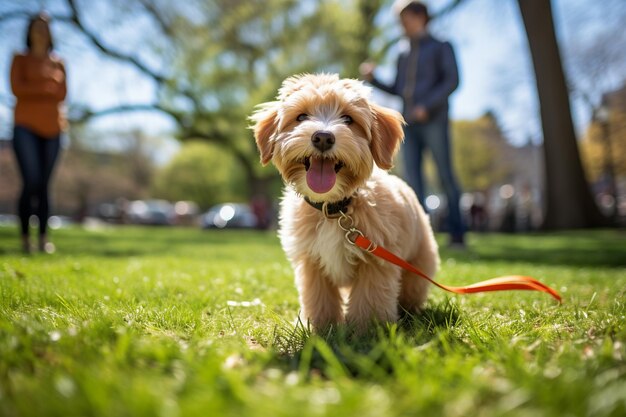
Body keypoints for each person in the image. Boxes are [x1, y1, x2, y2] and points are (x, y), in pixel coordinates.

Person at [360, 0, 466, 247]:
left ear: (421, 17)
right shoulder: (402, 52)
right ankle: (420, 239)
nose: (402, 26)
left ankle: (458, 234)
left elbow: (451, 81)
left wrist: (426, 106)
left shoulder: (441, 47)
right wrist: (374, 79)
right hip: (408, 123)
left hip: (434, 121)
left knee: (445, 175)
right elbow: (398, 89)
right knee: (412, 179)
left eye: (405, 20)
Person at [10, 13, 67, 253]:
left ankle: (43, 239)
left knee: (44, 184)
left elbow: (62, 94)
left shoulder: (59, 62)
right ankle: (25, 238)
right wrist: (46, 87)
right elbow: (17, 88)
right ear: (30, 31)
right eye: (37, 27)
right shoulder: (20, 59)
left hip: (54, 128)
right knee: (31, 180)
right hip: (25, 126)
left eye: (45, 28)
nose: (41, 32)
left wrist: (39, 88)